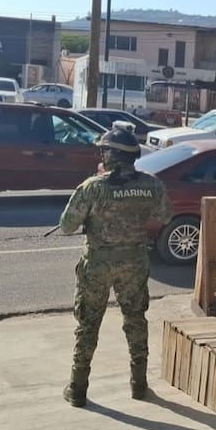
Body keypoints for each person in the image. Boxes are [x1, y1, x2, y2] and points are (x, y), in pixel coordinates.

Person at [56, 126, 172, 407]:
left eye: (104, 150)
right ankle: (139, 384)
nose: (101, 154)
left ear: (112, 156)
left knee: (88, 325)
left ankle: (78, 387)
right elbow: (166, 216)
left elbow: (66, 226)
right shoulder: (151, 184)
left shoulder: (92, 187)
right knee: (135, 320)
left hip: (97, 264)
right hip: (133, 263)